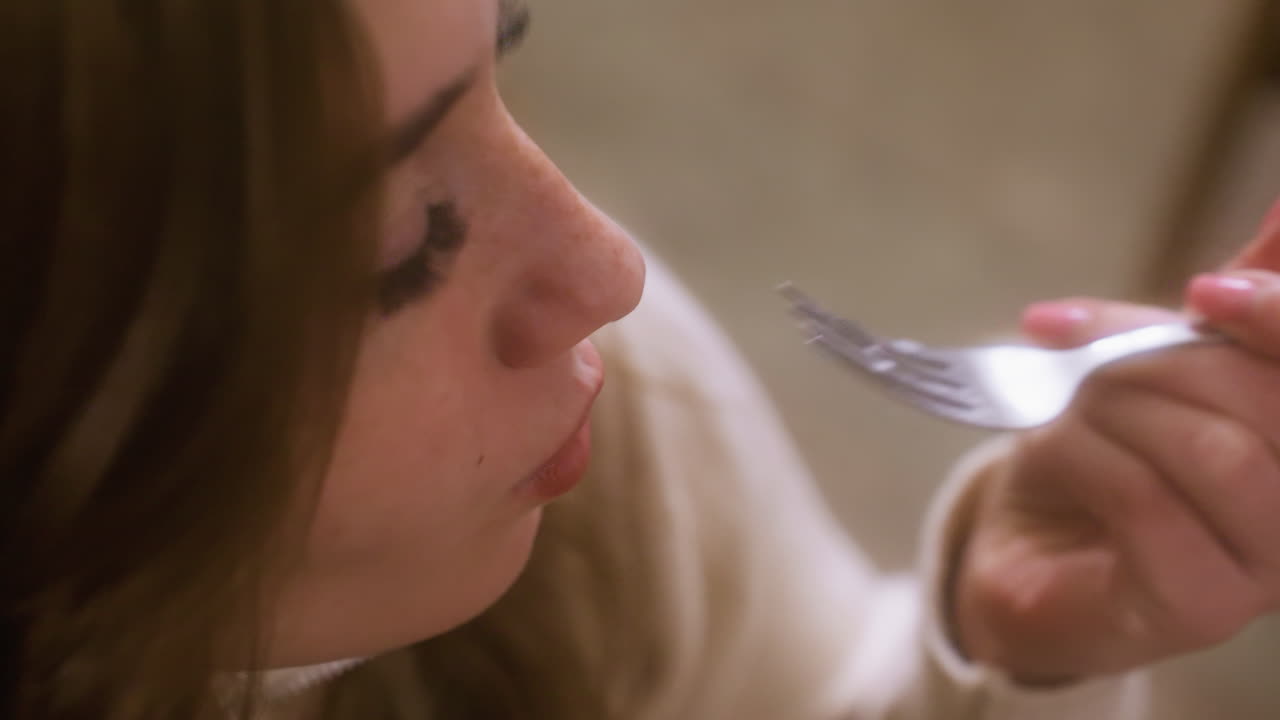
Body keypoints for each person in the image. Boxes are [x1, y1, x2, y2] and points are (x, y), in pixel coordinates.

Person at [5, 1, 1280, 718]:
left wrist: (1011, 653)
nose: (608, 271)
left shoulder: (607, 442)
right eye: (400, 243)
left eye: (499, 61)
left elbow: (802, 691)